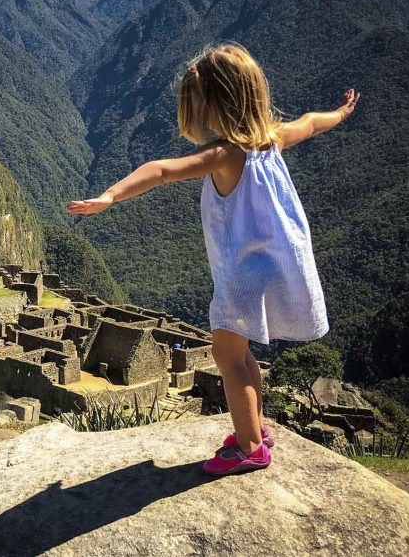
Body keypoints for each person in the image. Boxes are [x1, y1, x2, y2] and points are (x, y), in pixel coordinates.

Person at [68, 43, 360, 476]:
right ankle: (256, 430)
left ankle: (249, 448)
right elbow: (309, 124)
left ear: (214, 107)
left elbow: (161, 169)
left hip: (243, 273)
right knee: (243, 359)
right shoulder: (272, 140)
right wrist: (340, 114)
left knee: (227, 359)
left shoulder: (227, 154)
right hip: (278, 262)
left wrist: (110, 196)